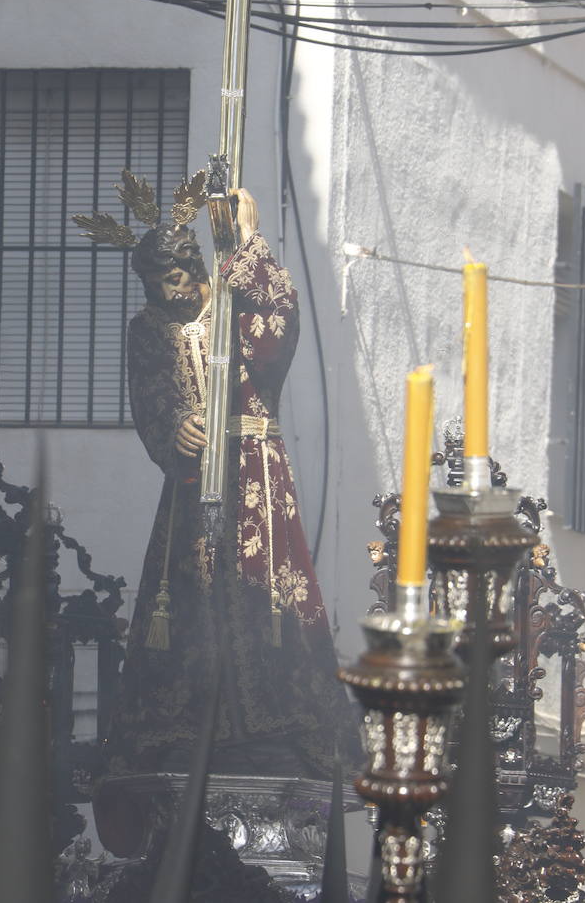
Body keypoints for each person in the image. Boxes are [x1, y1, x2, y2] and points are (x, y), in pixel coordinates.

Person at [74, 175, 352, 779]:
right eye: (157, 285)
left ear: (195, 267)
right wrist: (174, 426)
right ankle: (194, 728)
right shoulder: (148, 329)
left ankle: (277, 725)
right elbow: (150, 396)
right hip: (192, 486)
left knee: (265, 595)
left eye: (176, 279)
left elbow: (279, 329)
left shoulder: (235, 303)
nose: (170, 293)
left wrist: (248, 242)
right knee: (189, 600)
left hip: (254, 473)